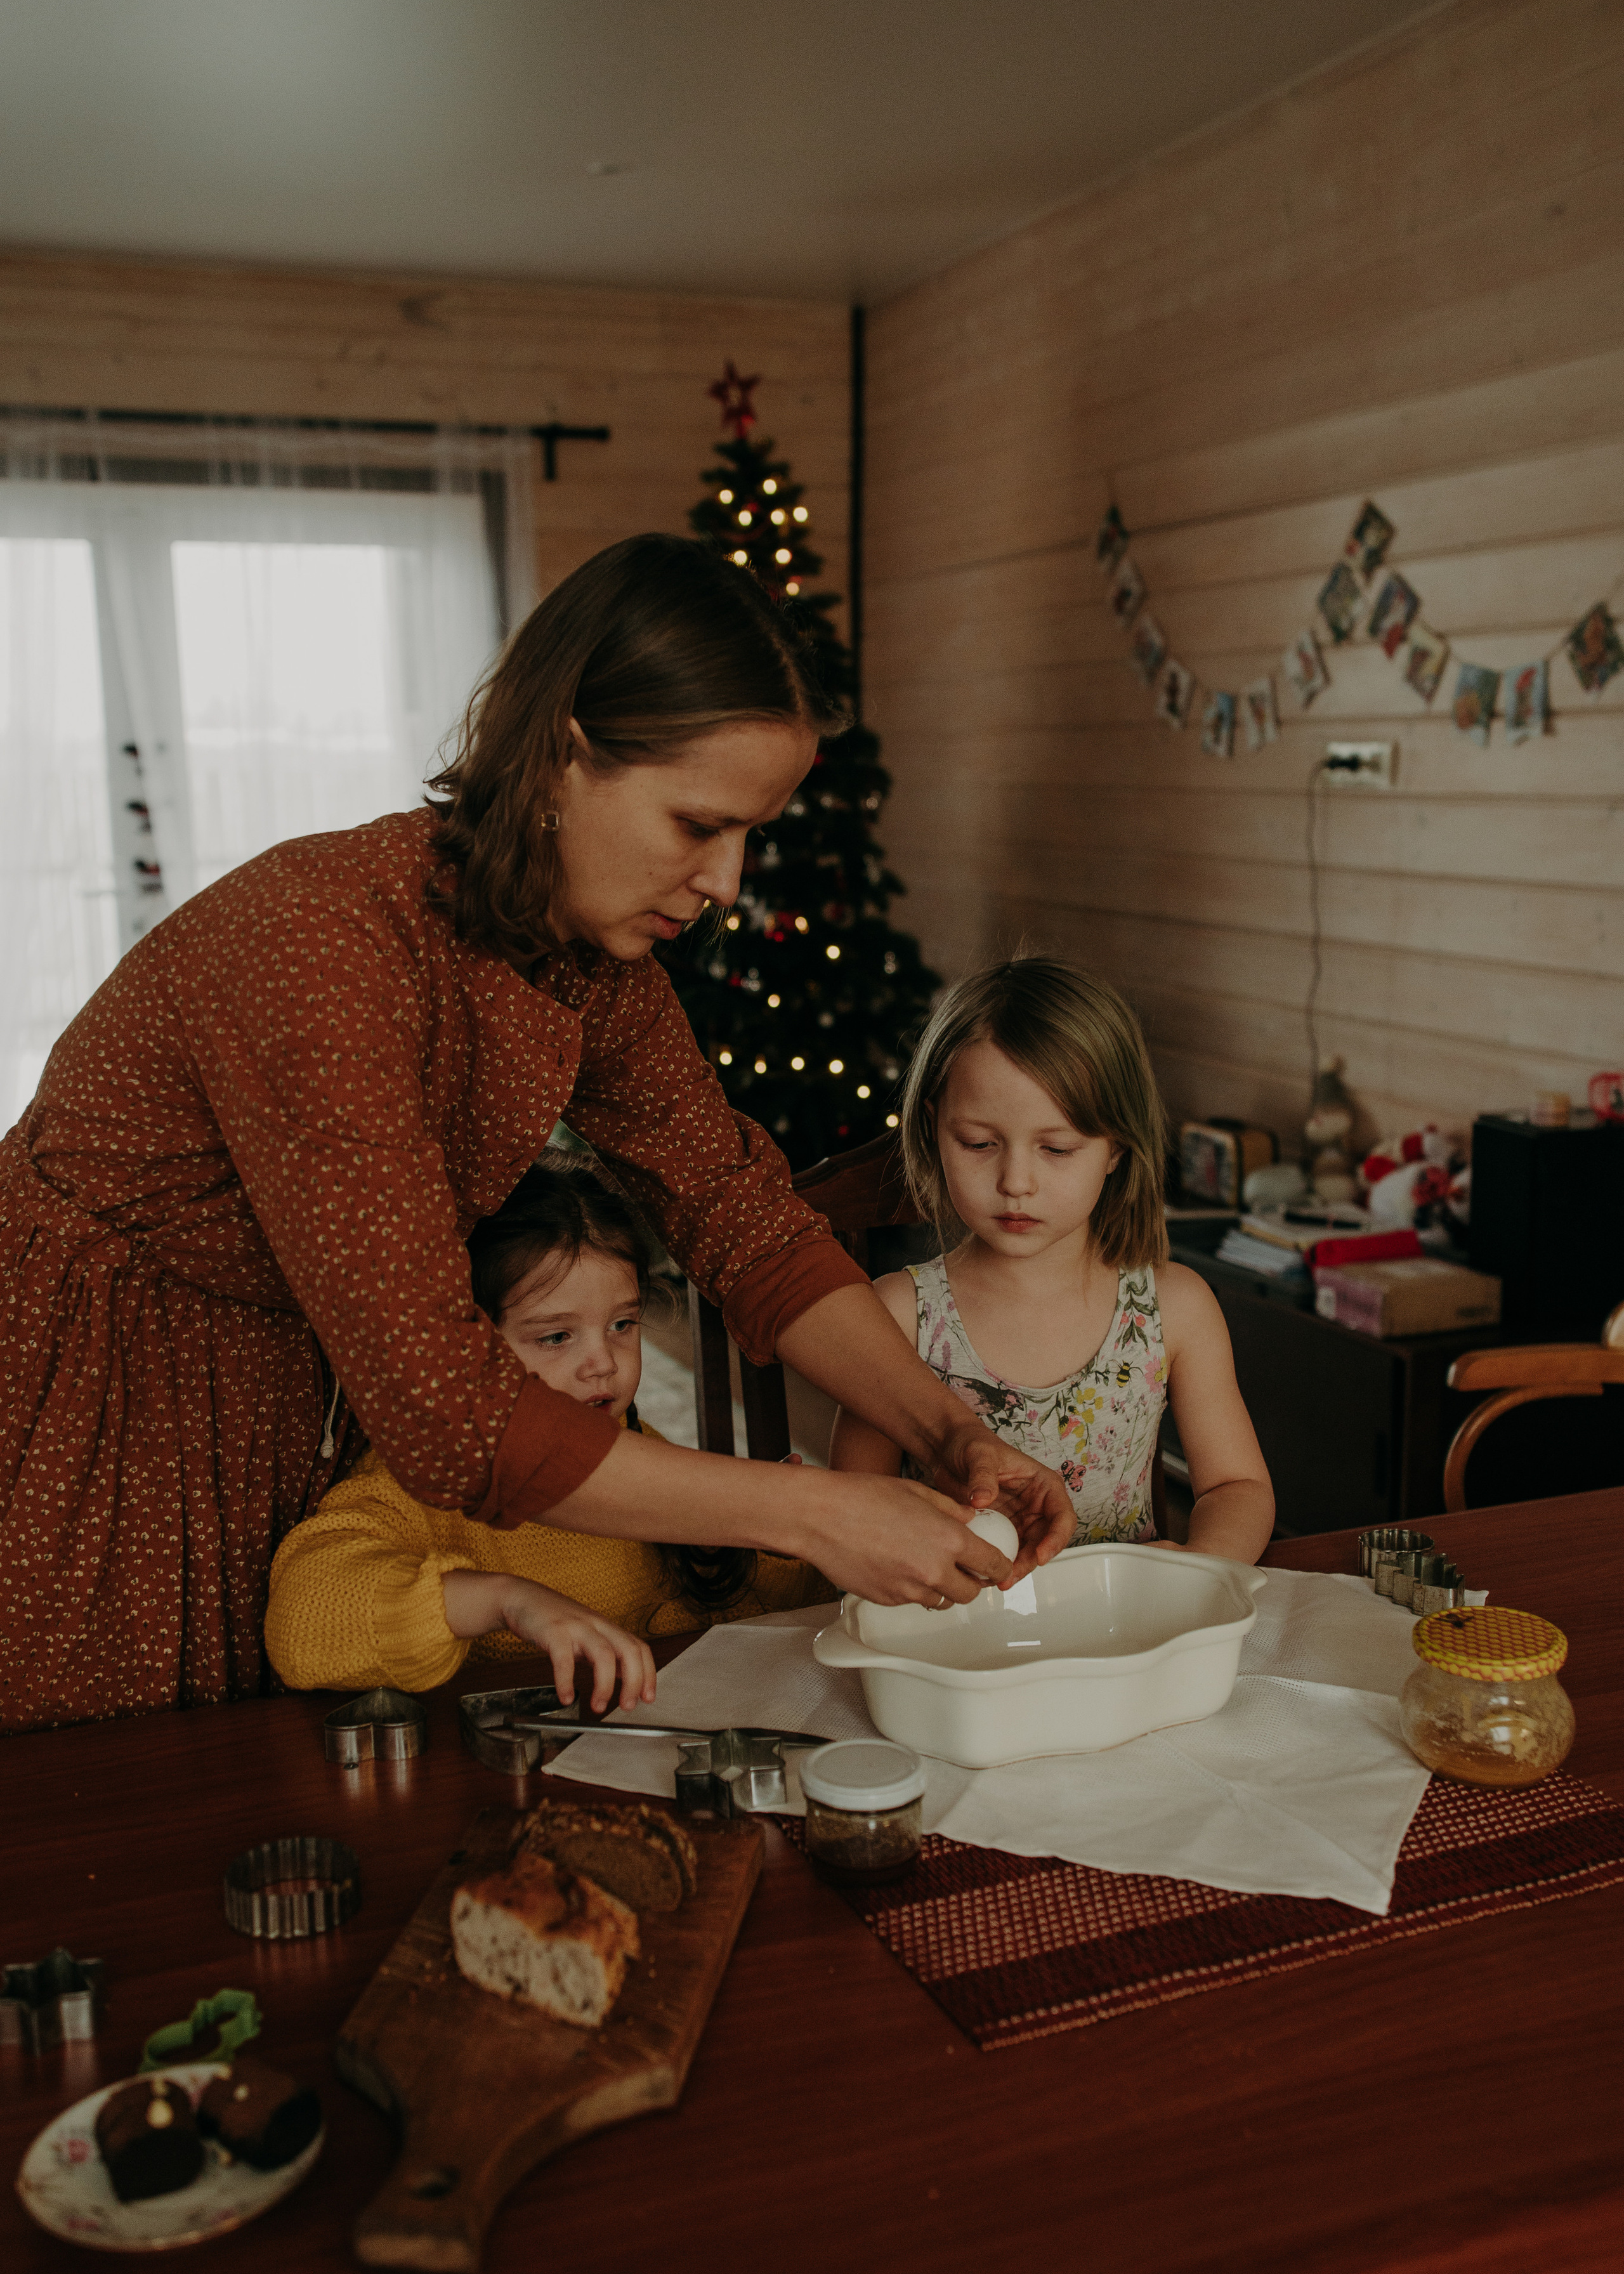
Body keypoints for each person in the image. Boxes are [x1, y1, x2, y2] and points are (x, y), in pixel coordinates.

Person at [1, 533, 1075, 1732]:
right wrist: (813, 1512)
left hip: (285, 1399)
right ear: (564, 753)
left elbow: (739, 1214)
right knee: (106, 1817)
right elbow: (449, 1406)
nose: (728, 880)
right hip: (97, 1412)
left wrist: (950, 1432)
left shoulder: (586, 960)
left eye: (751, 834)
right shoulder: (323, 950)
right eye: (697, 822)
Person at [266, 1157, 823, 1713]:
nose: (603, 1362)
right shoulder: (424, 1484)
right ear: (464, 1347)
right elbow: (301, 1624)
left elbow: (753, 1621)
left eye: (622, 1325)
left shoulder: (641, 1453)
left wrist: (767, 1546)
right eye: (557, 1336)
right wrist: (505, 1600)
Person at [828, 957, 1274, 1561]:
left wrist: (1194, 1574)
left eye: (1057, 1148)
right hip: (955, 1638)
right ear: (935, 1128)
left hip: (1123, 1637)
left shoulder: (1176, 1306)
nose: (1016, 1181)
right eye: (979, 1143)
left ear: (1116, 1146)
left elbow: (1236, 1487)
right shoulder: (898, 1317)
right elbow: (857, 1516)